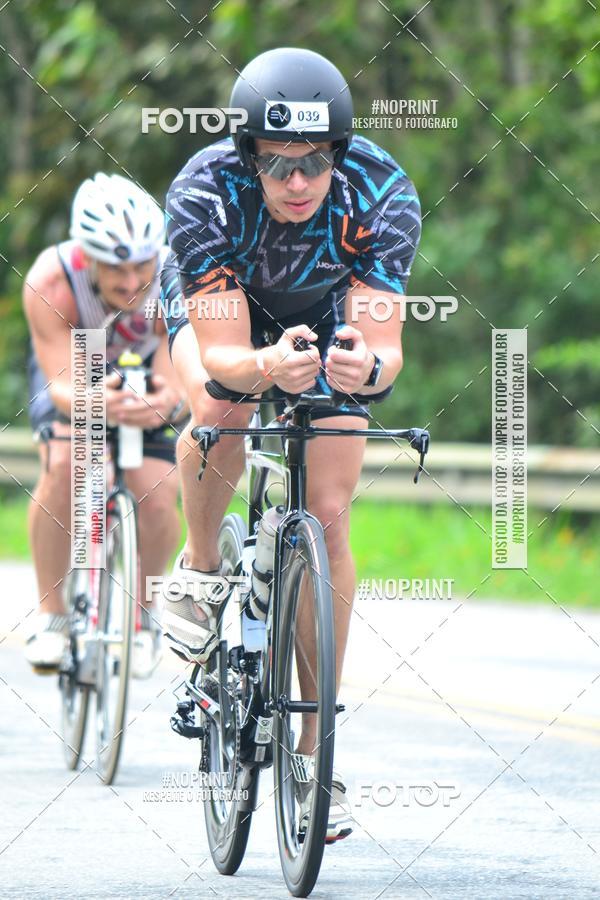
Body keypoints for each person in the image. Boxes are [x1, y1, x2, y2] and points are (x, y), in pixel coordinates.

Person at [161, 47, 422, 841]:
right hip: (228, 321)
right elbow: (225, 357)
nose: (298, 182)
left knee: (329, 516)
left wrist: (364, 366)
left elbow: (385, 351)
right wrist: (268, 365)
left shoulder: (382, 192)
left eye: (313, 163)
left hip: (327, 316)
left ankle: (316, 754)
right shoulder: (205, 192)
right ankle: (203, 571)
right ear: (249, 158)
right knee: (220, 407)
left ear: (338, 156)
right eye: (278, 166)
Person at [23, 173, 188, 678]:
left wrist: (163, 404)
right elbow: (61, 385)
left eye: (141, 264)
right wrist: (97, 402)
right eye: (115, 267)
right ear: (87, 256)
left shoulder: (174, 275)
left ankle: (144, 617)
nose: (131, 280)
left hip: (142, 367)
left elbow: (173, 375)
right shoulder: (52, 280)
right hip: (79, 366)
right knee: (70, 465)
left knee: (157, 491)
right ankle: (52, 616)